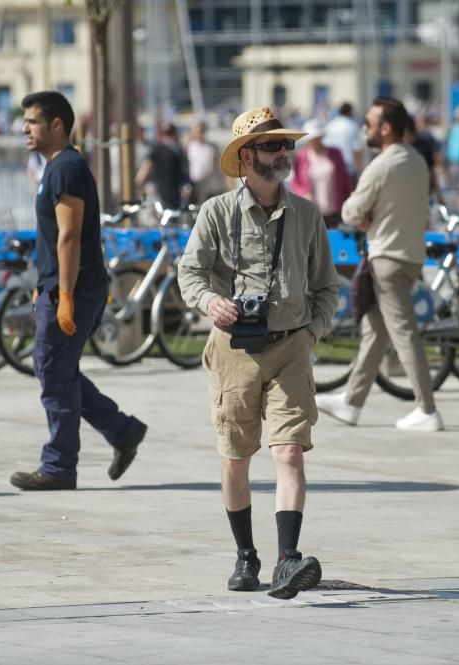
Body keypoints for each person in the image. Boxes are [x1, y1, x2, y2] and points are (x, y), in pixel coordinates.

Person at [177, 106, 339, 598]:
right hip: (233, 352)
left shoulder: (308, 216)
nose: (283, 154)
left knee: (289, 450)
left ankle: (288, 560)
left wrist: (311, 335)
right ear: (246, 157)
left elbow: (327, 289)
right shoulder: (216, 213)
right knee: (236, 456)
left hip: (291, 346)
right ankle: (246, 555)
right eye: (272, 146)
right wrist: (211, 303)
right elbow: (189, 274)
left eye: (286, 145)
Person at [10, 90, 147, 491]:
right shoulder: (55, 167)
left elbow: (69, 236)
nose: (24, 129)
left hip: (74, 288)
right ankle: (121, 430)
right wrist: (44, 284)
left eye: (32, 121)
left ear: (56, 125)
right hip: (59, 286)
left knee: (53, 373)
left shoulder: (66, 167)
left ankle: (58, 466)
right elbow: (54, 238)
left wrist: (64, 296)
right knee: (57, 370)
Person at [316, 97, 444, 432]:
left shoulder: (381, 165)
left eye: (370, 123)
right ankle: (351, 403)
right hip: (411, 255)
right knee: (375, 331)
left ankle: (427, 409)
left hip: (386, 258)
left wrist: (365, 218)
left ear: (386, 129)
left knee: (404, 333)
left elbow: (350, 211)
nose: (365, 129)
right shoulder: (416, 160)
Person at [290, 119, 354, 228]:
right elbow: (296, 183)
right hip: (312, 214)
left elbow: (345, 181)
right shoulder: (301, 157)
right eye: (312, 139)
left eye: (317, 138)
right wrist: (305, 194)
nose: (315, 142)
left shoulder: (335, 154)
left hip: (336, 212)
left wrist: (351, 203)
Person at [135, 122, 188, 210]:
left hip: (161, 194)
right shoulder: (178, 151)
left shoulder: (157, 150)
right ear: (175, 134)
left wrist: (143, 192)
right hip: (170, 194)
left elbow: (141, 175)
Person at [404, 114, 443, 205]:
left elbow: (431, 170)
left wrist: (438, 194)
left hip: (422, 193)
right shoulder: (400, 147)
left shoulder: (423, 146)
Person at [185, 121, 227, 205]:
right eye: (196, 132)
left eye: (200, 131)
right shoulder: (190, 146)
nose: (198, 134)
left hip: (208, 185)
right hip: (193, 183)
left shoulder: (211, 147)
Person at [324, 102, 365, 180]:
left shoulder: (330, 125)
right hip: (349, 168)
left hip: (332, 167)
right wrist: (361, 169)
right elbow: (356, 149)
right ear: (349, 112)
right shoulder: (352, 125)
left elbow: (326, 146)